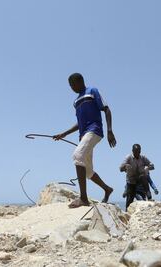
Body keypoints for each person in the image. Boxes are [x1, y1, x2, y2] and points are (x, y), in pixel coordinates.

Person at [53, 73, 116, 208]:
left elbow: (106, 109)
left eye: (72, 85)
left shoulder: (92, 91)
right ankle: (107, 189)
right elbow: (79, 123)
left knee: (77, 155)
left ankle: (83, 198)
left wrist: (110, 130)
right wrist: (64, 133)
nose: (71, 88)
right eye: (70, 86)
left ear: (79, 81)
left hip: (94, 130)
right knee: (88, 171)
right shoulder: (76, 102)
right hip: (83, 135)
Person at [119, 144, 154, 210]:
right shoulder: (128, 158)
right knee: (129, 200)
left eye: (139, 152)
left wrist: (148, 167)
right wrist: (125, 166)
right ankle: (127, 213)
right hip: (131, 181)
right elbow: (120, 169)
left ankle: (149, 197)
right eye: (136, 152)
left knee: (143, 177)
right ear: (132, 151)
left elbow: (153, 166)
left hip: (140, 180)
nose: (137, 153)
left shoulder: (143, 158)